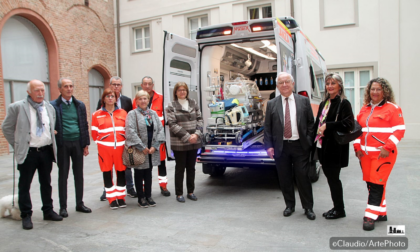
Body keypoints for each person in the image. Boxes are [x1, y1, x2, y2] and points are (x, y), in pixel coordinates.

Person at [2, 80, 63, 230]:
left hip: (45, 151)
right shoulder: (17, 107)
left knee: (46, 183)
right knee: (24, 185)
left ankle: (48, 211)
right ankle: (26, 215)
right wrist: (18, 144)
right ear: (29, 92)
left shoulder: (49, 107)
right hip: (28, 153)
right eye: (37, 90)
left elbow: (51, 126)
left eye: (42, 90)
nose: (40, 93)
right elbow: (6, 127)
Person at [354, 77, 405, 231]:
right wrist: (357, 147)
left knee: (376, 184)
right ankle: (381, 212)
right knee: (371, 183)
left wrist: (387, 147)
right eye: (372, 89)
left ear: (385, 91)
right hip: (365, 155)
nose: (374, 92)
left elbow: (400, 130)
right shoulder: (365, 109)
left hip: (383, 155)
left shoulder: (393, 108)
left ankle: (370, 216)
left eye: (378, 89)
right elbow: (357, 130)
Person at [264, 72, 316, 220]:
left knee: (303, 177)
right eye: (281, 83)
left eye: (287, 82)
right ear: (277, 86)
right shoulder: (272, 104)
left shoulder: (303, 101)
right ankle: (289, 206)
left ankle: (308, 207)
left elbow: (311, 123)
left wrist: (308, 139)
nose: (284, 85)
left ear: (293, 84)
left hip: (300, 146)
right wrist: (269, 146)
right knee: (285, 178)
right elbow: (268, 127)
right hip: (281, 147)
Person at [313, 74, 354, 219]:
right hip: (323, 146)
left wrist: (327, 126)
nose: (330, 86)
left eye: (333, 83)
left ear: (340, 86)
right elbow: (318, 123)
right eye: (328, 83)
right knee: (331, 179)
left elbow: (349, 124)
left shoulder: (344, 103)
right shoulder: (324, 103)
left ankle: (340, 210)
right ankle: (336, 207)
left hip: (335, 148)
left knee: (334, 179)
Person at [50, 78, 92, 218]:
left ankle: (79, 203)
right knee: (63, 175)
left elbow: (84, 124)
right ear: (60, 89)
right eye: (65, 86)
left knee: (78, 174)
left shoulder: (79, 105)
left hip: (77, 143)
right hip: (63, 143)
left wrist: (85, 144)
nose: (69, 89)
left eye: (71, 86)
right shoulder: (53, 106)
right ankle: (63, 207)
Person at [96, 76, 137, 200]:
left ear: (121, 86)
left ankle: (129, 187)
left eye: (118, 85)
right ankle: (107, 191)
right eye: (114, 84)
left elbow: (130, 118)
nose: (116, 87)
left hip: (123, 140)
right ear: (110, 85)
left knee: (126, 165)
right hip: (108, 143)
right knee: (107, 168)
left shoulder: (127, 100)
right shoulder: (103, 100)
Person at [126, 90, 165, 207]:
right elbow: (130, 131)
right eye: (140, 99)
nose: (143, 101)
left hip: (151, 149)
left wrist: (155, 146)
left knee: (148, 173)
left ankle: (148, 195)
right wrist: (141, 147)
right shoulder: (132, 114)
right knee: (139, 174)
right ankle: (141, 198)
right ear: (136, 101)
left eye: (145, 98)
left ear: (148, 100)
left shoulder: (153, 114)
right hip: (140, 149)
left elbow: (160, 130)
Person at [132, 76, 171, 196]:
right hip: (143, 138)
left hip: (158, 138)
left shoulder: (161, 98)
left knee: (161, 162)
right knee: (143, 164)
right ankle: (143, 188)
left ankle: (163, 186)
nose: (147, 86)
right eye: (145, 84)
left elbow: (166, 117)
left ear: (153, 85)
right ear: (141, 85)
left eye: (149, 84)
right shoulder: (136, 100)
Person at [166, 82, 203, 203]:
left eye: (184, 90)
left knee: (191, 168)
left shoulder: (193, 103)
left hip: (193, 140)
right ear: (175, 92)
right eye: (180, 90)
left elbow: (200, 119)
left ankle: (191, 192)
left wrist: (196, 134)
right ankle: (179, 193)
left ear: (187, 91)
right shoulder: (171, 105)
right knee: (180, 168)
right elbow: (172, 124)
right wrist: (187, 136)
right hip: (180, 142)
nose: (182, 92)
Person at [92, 88, 128, 209]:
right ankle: (111, 198)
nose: (110, 98)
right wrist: (102, 143)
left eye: (112, 96)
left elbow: (127, 130)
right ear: (103, 99)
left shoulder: (123, 113)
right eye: (107, 96)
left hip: (121, 148)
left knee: (121, 173)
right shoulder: (96, 115)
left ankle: (121, 197)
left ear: (116, 99)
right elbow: (94, 134)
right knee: (107, 173)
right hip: (105, 150)